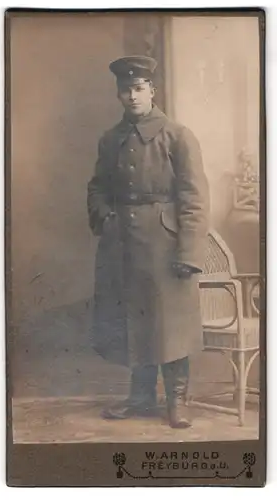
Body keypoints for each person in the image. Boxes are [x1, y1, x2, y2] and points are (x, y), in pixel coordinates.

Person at [87, 55, 210, 428]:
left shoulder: (177, 135)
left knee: (168, 323)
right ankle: (141, 397)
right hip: (123, 243)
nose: (132, 96)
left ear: (152, 91)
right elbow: (97, 187)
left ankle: (177, 400)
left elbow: (194, 198)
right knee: (133, 321)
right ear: (119, 95)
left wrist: (188, 251)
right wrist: (106, 215)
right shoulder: (110, 139)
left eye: (139, 88)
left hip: (165, 244)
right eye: (126, 90)